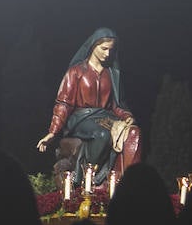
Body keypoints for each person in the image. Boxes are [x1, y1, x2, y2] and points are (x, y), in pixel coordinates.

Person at [35, 27, 143, 192]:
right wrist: (52, 132)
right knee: (102, 134)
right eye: (104, 48)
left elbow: (117, 105)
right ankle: (85, 173)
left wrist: (127, 117)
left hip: (106, 118)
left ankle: (126, 185)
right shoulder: (76, 72)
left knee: (133, 133)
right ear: (93, 45)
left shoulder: (111, 74)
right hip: (81, 119)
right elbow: (63, 103)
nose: (107, 54)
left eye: (111, 50)